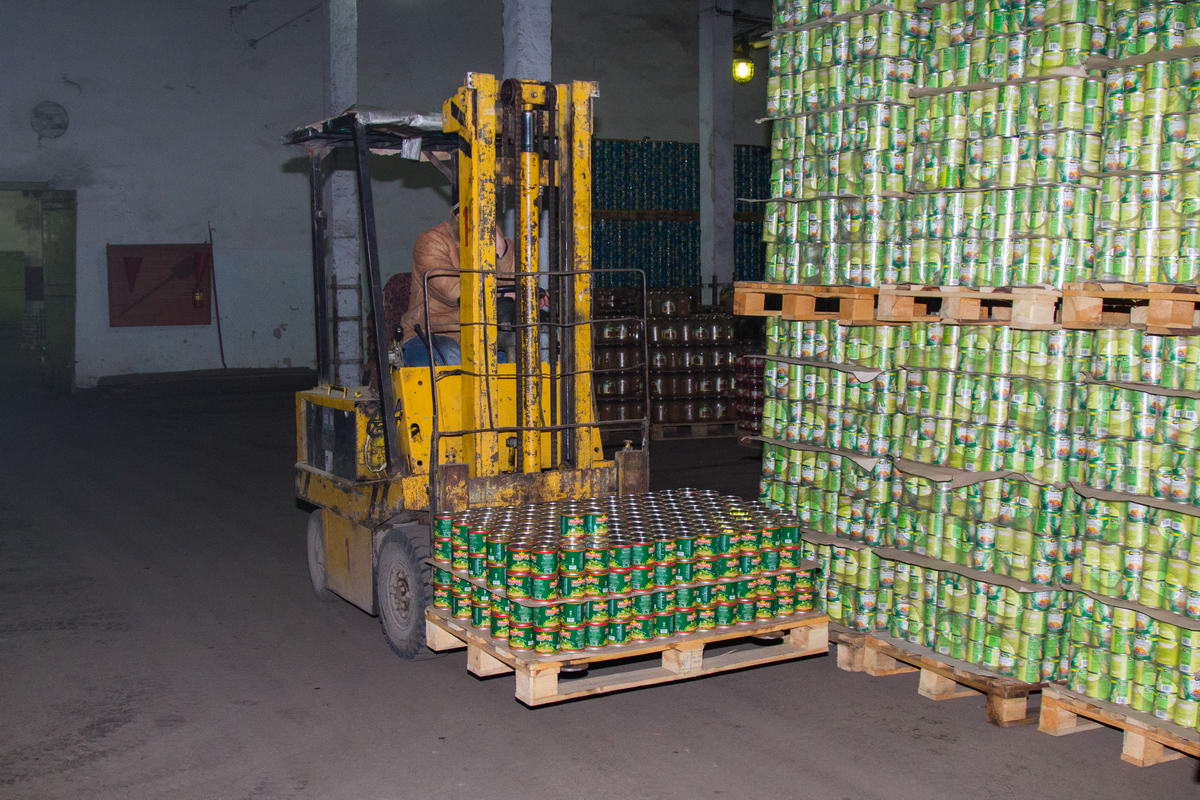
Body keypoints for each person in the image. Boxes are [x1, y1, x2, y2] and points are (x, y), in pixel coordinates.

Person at [398, 209, 515, 366]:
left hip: (483, 336)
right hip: (430, 333)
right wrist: (503, 296)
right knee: (451, 357)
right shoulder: (431, 241)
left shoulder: (499, 244)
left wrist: (502, 251)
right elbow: (452, 292)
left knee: (519, 361)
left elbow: (515, 284)